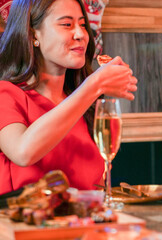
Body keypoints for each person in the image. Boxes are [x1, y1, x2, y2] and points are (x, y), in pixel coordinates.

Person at [0, 0, 138, 195]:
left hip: (85, 221)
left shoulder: (85, 103)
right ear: (32, 35)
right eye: (67, 24)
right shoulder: (6, 94)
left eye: (83, 24)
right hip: (28, 223)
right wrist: (94, 85)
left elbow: (99, 186)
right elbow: (23, 152)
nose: (81, 34)